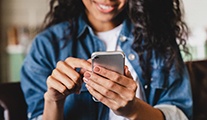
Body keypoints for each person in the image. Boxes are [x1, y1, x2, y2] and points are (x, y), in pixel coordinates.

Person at [20, 0, 193, 120]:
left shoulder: (157, 38)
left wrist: (133, 110)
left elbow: (179, 114)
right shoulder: (46, 46)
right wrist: (53, 100)